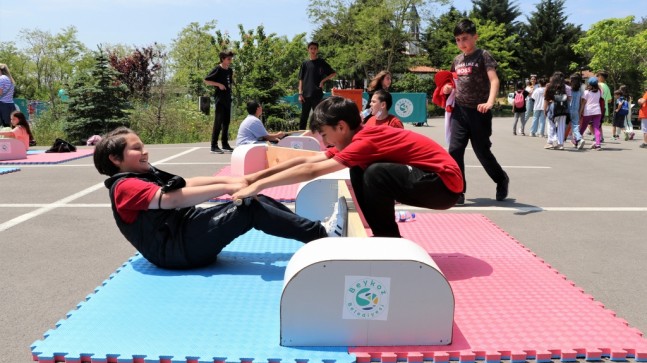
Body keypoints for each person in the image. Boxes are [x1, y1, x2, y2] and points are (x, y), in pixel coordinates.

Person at [93, 127, 347, 270]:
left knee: (253, 197)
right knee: (247, 208)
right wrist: (226, 188)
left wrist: (234, 183)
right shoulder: (125, 186)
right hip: (177, 250)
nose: (144, 151)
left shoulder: (141, 174)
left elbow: (186, 183)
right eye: (136, 148)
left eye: (143, 144)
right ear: (115, 159)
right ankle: (322, 237)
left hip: (184, 232)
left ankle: (316, 232)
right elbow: (171, 200)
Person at [232, 96, 463, 238]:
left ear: (341, 127)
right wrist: (255, 177)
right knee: (359, 170)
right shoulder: (353, 139)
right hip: (432, 182)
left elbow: (313, 171)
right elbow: (309, 160)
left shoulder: (364, 141)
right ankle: (382, 235)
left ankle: (388, 240)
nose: (324, 142)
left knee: (375, 173)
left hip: (444, 185)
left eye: (324, 135)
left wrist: (259, 186)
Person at [442, 18, 509, 205]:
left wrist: (489, 102)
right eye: (457, 40)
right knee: (455, 150)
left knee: (482, 152)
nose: (461, 43)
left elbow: (494, 80)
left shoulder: (483, 56)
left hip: (479, 112)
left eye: (464, 38)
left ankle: (501, 179)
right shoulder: (456, 60)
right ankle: (459, 190)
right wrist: (447, 88)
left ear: (475, 37)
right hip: (460, 112)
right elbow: (452, 81)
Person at [298, 41, 336, 130]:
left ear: (317, 50)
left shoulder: (321, 62)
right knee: (304, 117)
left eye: (315, 49)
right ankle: (300, 136)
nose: (313, 50)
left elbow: (333, 73)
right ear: (308, 50)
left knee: (318, 117)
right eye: (311, 48)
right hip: (305, 95)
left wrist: (323, 81)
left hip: (317, 93)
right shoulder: (305, 64)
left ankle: (319, 135)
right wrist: (300, 93)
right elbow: (300, 79)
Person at [204, 50, 235, 154]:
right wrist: (218, 84)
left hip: (227, 98)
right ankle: (214, 146)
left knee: (226, 122)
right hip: (220, 99)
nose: (230, 60)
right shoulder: (218, 69)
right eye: (228, 59)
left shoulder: (230, 70)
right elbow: (206, 80)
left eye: (231, 58)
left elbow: (229, 83)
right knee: (218, 122)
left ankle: (225, 144)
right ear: (222, 59)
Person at [543, 72, 569, 150]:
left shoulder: (549, 86)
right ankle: (560, 144)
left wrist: (545, 110)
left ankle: (550, 142)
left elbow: (546, 99)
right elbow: (569, 98)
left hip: (553, 107)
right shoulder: (566, 87)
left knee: (551, 124)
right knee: (561, 126)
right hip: (563, 108)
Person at [579, 77, 603, 150]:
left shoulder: (586, 92)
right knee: (596, 128)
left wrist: (580, 112)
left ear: (588, 83)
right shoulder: (600, 91)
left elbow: (583, 103)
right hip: (597, 111)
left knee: (583, 127)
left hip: (588, 111)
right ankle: (598, 144)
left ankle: (577, 140)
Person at [568, 73, 585, 149]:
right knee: (575, 126)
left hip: (568, 109)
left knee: (563, 125)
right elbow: (581, 102)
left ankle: (559, 140)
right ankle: (579, 138)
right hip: (576, 110)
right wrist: (580, 111)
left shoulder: (569, 89)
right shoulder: (579, 91)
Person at [0, 63, 16, 128]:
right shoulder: (10, 79)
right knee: (9, 127)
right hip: (11, 105)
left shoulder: (1, 78)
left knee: (2, 127)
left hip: (2, 105)